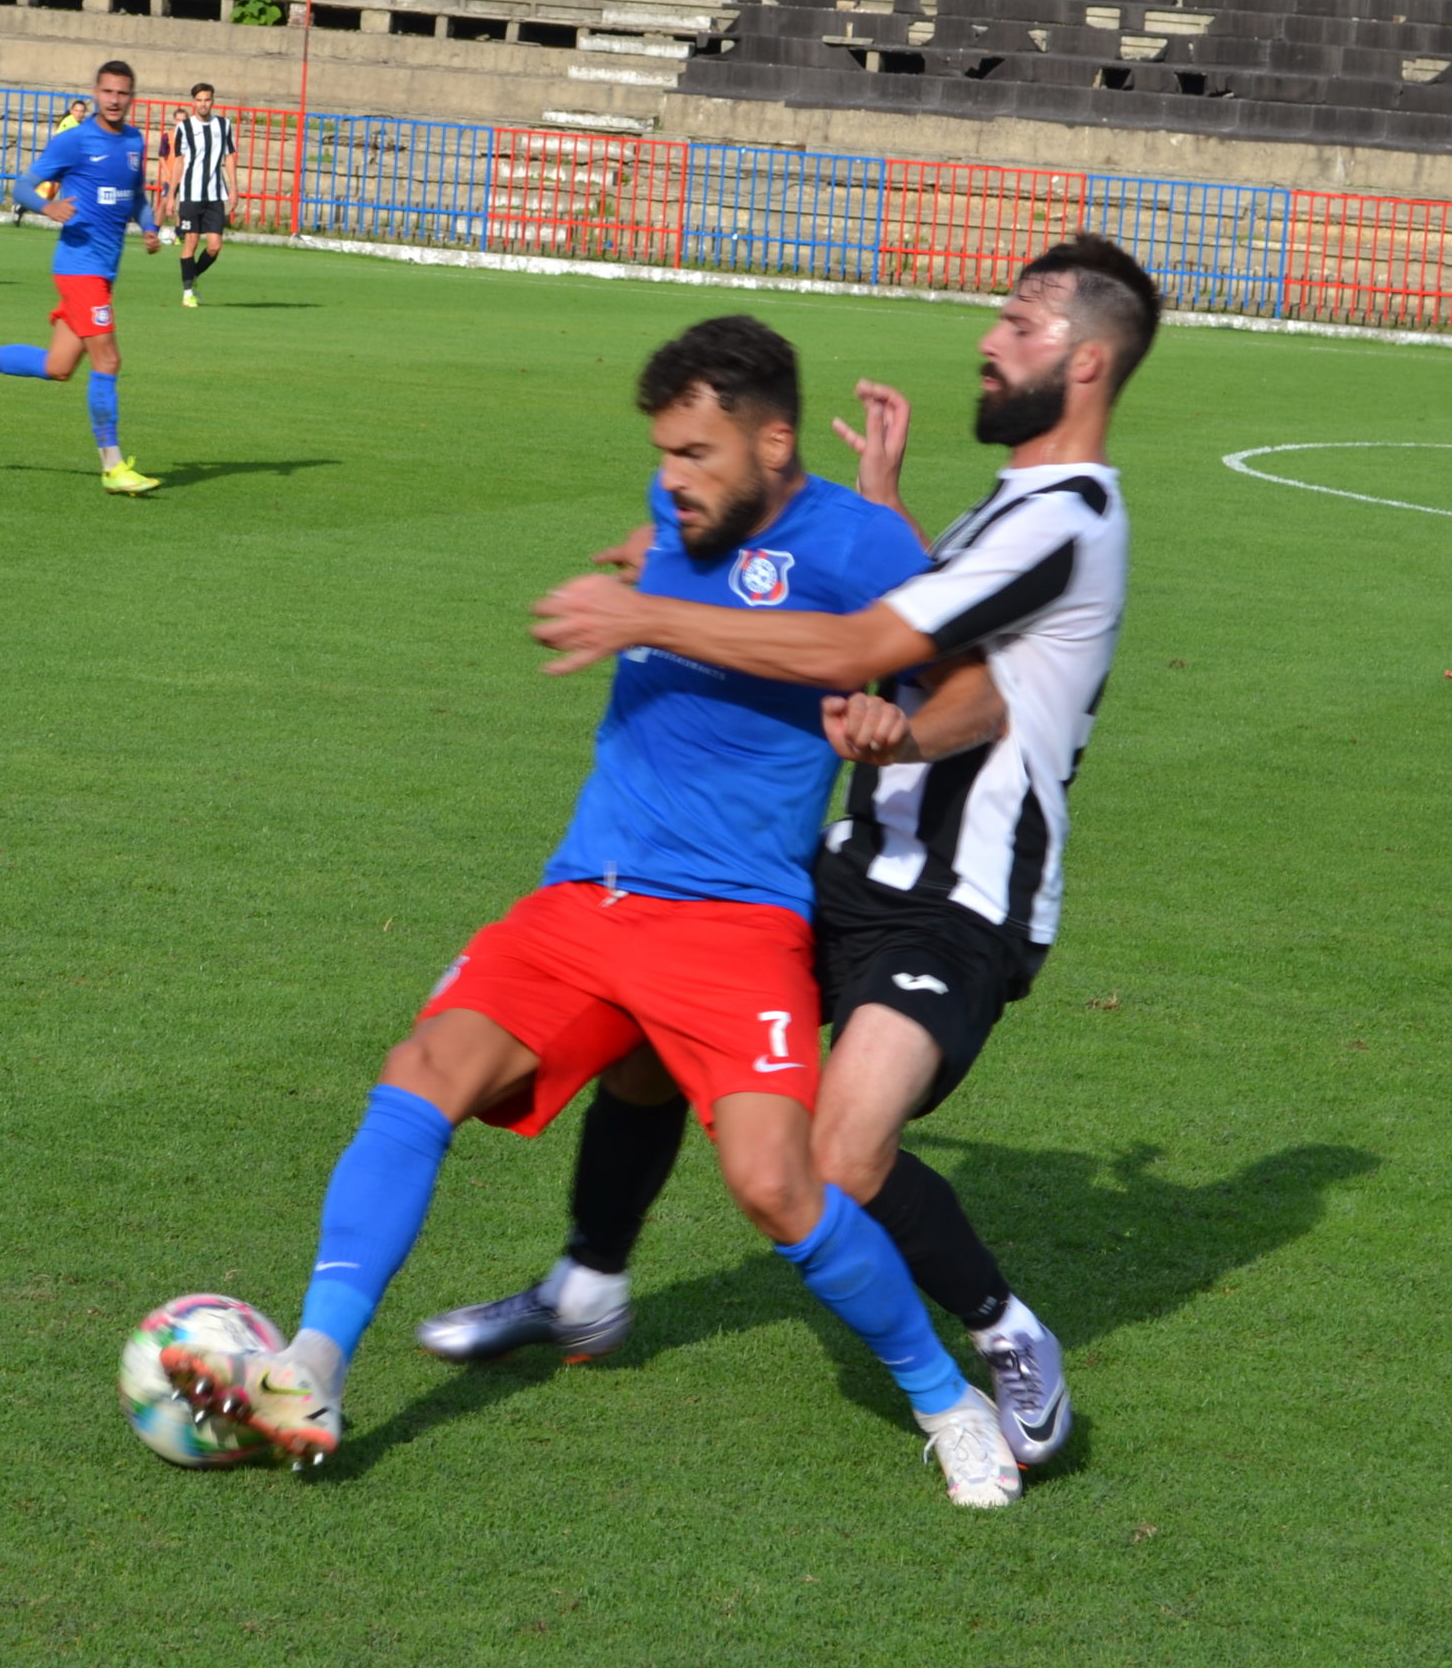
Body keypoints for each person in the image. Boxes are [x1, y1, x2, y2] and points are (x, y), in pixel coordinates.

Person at [158, 316, 1029, 1508]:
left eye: (697, 453)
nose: (673, 477)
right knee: (422, 1069)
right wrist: (647, 557)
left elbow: (975, 698)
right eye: (663, 453)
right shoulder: (679, 512)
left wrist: (899, 726)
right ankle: (313, 1362)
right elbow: (686, 561)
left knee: (774, 1182)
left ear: (775, 444)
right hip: (587, 890)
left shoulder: (857, 539)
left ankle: (946, 1401)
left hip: (734, 919)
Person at [430, 233, 1160, 1472]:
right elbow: (944, 641)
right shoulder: (1017, 503)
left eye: (1018, 324)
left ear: (1084, 362)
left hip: (962, 899)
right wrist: (881, 512)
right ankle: (587, 1284)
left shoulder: (1070, 517)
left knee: (843, 1152)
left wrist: (653, 613)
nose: (988, 340)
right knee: (654, 1036)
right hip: (853, 861)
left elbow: (876, 653)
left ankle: (1007, 1329)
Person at [0, 62, 163, 496]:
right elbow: (22, 187)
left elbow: (135, 197)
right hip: (79, 268)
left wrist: (149, 226)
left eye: (122, 93)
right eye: (108, 91)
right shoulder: (74, 140)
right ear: (95, 92)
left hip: (102, 270)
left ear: (132, 97)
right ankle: (112, 467)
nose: (114, 100)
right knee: (108, 361)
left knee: (58, 368)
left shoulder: (134, 141)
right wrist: (47, 207)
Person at [159, 83, 235, 308]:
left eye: (207, 100)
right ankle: (187, 293)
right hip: (191, 194)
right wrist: (171, 196)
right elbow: (179, 162)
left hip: (215, 194)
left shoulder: (223, 125)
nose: (203, 104)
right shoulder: (184, 128)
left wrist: (234, 188)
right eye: (199, 100)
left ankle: (192, 276)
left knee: (214, 246)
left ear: (213, 101)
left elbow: (229, 157)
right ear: (194, 102)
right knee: (190, 242)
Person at [13, 98, 94, 228]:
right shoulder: (69, 123)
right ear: (71, 111)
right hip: (61, 162)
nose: (79, 113)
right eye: (76, 110)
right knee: (52, 194)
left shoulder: (77, 124)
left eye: (81, 111)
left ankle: (21, 208)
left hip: (67, 163)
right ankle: (22, 206)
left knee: (59, 192)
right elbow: (62, 142)